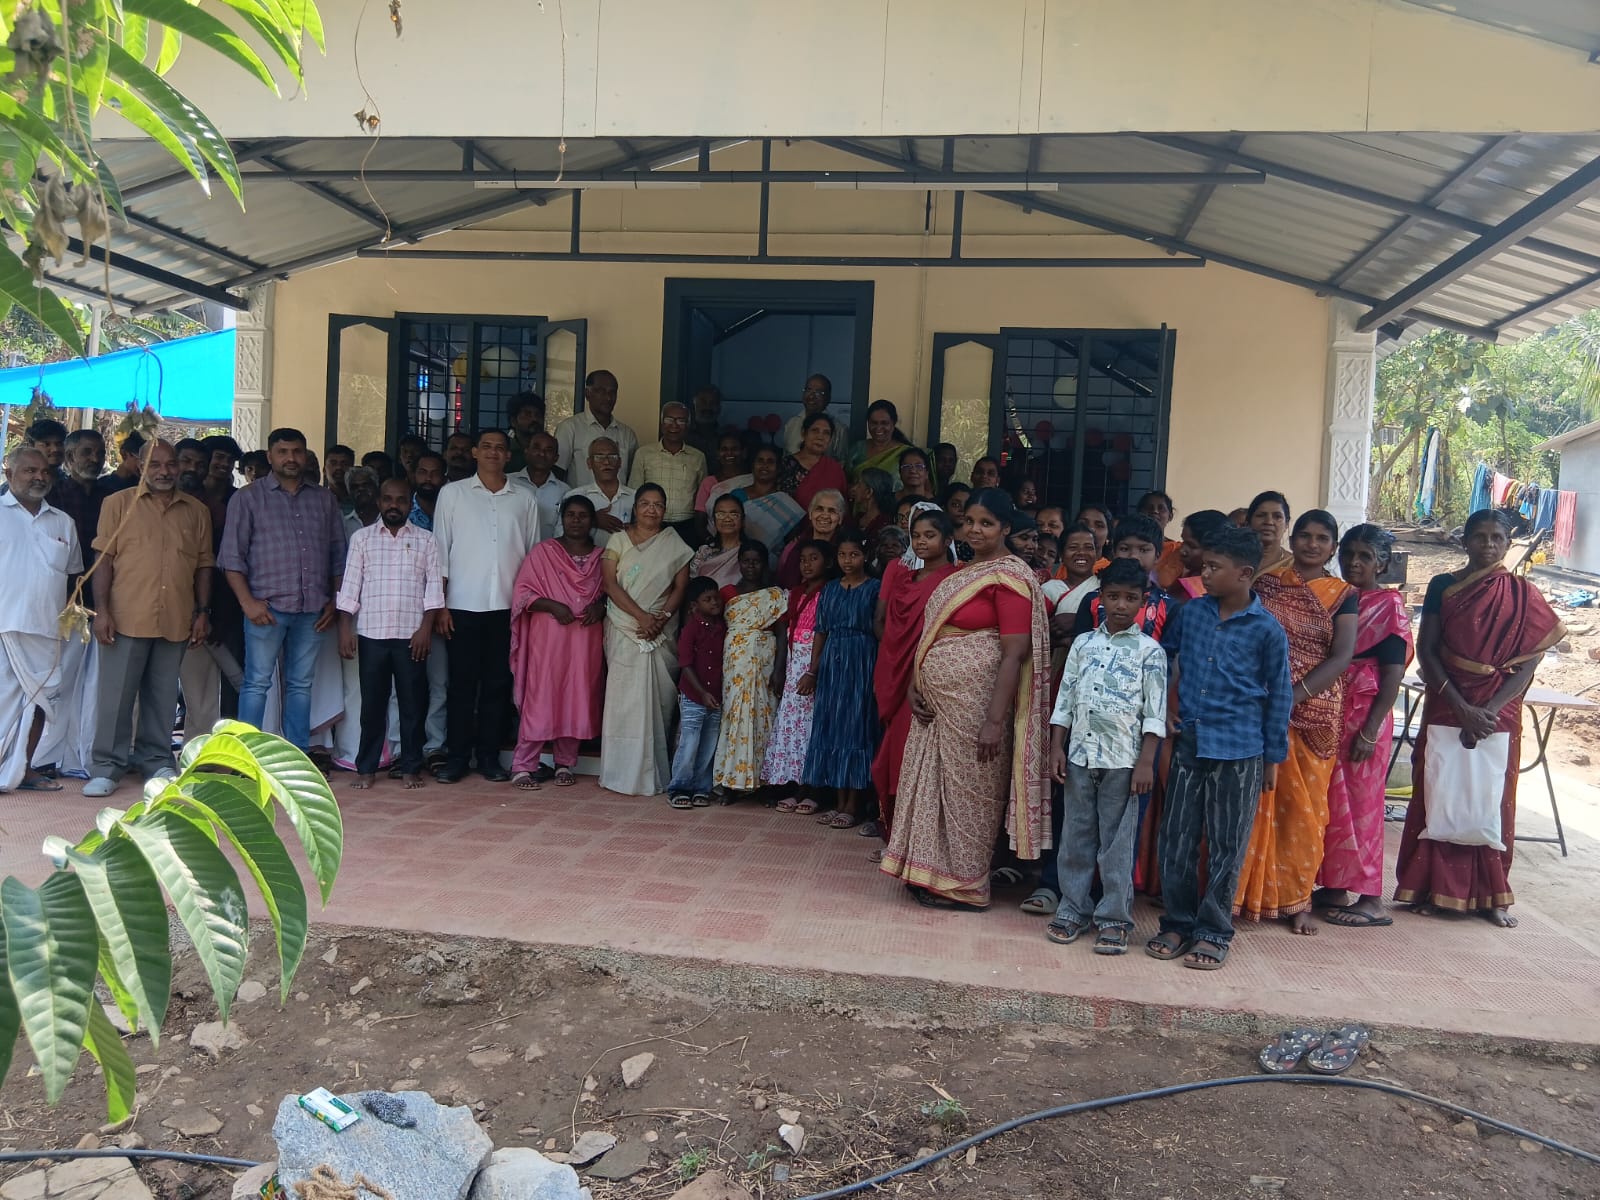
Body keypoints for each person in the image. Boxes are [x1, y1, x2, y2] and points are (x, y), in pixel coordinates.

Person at [881, 488, 1051, 909]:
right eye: (969, 522)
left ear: (1006, 528)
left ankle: (967, 886)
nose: (975, 529)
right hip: (935, 706)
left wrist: (994, 720)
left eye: (986, 523)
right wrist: (913, 684)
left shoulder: (1008, 577)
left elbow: (1014, 653)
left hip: (976, 707)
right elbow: (929, 639)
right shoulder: (961, 573)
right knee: (931, 787)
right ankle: (931, 872)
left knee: (969, 794)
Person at [1394, 509, 1564, 929]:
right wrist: (1461, 704)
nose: (1488, 545)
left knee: (1493, 798)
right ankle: (1429, 886)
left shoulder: (1523, 592)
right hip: (1449, 697)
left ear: (1508, 544)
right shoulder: (1442, 586)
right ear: (1463, 541)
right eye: (1479, 537)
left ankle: (1493, 894)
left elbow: (1529, 664)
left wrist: (1487, 710)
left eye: (1497, 538)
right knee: (1438, 788)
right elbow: (1428, 650)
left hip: (1499, 707)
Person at [1149, 522, 1292, 970]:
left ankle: (1213, 931)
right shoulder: (1190, 614)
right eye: (1204, 565)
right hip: (1190, 741)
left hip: (1241, 749)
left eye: (1215, 567)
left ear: (1245, 573)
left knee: (1228, 844)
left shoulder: (1268, 631)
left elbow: (1280, 694)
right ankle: (1177, 922)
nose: (1205, 574)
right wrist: (1166, 706)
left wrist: (1272, 757)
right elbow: (1165, 660)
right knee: (1176, 839)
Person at [1236, 508, 1357, 935]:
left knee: (1305, 810)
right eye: (1304, 535)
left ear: (1333, 547)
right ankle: (1243, 892)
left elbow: (1341, 656)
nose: (1310, 544)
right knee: (1253, 803)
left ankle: (1297, 899)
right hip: (1260, 702)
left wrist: (1295, 695)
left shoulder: (1343, 594)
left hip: (1312, 710)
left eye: (1321, 538)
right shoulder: (1266, 584)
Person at [1045, 557, 1168, 954]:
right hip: (1081, 756)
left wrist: (1146, 761)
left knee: (1116, 845)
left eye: (1130, 598)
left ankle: (1114, 919)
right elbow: (1065, 700)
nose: (1120, 605)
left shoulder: (1151, 652)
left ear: (1143, 602)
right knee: (1076, 836)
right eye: (1113, 596)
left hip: (1124, 762)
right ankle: (1072, 908)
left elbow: (1155, 712)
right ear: (1100, 598)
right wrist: (1056, 747)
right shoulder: (1083, 644)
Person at [83, 440, 213, 797]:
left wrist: (202, 612)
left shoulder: (196, 511)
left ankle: (156, 762)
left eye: (170, 464)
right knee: (116, 697)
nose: (164, 471)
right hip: (125, 616)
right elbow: (103, 561)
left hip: (176, 618)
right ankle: (107, 767)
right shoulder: (117, 504)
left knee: (162, 695)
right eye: (155, 464)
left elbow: (203, 565)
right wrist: (102, 612)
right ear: (139, 466)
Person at [220, 428, 346, 753]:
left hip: (313, 609)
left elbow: (337, 555)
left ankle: (296, 758)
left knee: (301, 685)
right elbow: (231, 557)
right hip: (266, 608)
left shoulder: (324, 499)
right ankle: (245, 759)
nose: (291, 458)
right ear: (270, 457)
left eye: (297, 451)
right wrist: (247, 603)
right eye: (283, 452)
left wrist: (335, 600)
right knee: (256, 683)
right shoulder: (247, 498)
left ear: (305, 455)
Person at [1318, 523, 1413, 927]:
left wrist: (1371, 730)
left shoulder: (1389, 606)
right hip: (1335, 707)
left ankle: (1371, 898)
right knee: (1335, 802)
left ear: (1382, 563)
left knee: (1364, 805)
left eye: (1365, 557)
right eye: (1349, 554)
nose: (1354, 563)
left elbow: (1393, 674)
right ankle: (1337, 885)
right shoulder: (1339, 599)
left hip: (1365, 712)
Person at [433, 429, 541, 784]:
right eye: (487, 447)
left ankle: (490, 757)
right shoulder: (453, 495)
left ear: (510, 456)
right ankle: (457, 757)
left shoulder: (524, 500)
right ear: (475, 452)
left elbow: (531, 559)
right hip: (462, 605)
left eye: (501, 448)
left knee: (498, 686)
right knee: (461, 686)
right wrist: (441, 606)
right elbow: (440, 555)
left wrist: (527, 608)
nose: (494, 453)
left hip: (508, 609)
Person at [335, 477, 444, 791]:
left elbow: (434, 589)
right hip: (372, 633)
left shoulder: (426, 540)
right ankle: (366, 768)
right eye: (387, 499)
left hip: (412, 636)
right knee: (372, 706)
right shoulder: (362, 539)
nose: (393, 505)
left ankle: (410, 766)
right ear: (380, 502)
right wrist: (345, 629)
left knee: (412, 705)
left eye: (400, 500)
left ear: (409, 503)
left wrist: (426, 629)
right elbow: (350, 586)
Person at [870, 507, 959, 853]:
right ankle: (897, 839)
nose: (921, 542)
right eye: (916, 536)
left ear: (948, 540)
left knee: (915, 761)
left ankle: (917, 844)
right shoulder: (905, 578)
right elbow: (890, 628)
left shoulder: (956, 579)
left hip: (930, 683)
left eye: (930, 536)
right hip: (896, 674)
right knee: (892, 758)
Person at [599, 483, 693, 795]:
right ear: (635, 507)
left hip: (661, 629)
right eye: (645, 503)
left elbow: (680, 587)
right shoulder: (618, 540)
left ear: (665, 510)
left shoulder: (674, 543)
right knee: (623, 700)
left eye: (657, 504)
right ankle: (619, 773)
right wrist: (641, 618)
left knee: (658, 702)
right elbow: (610, 585)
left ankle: (655, 774)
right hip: (626, 626)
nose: (651, 510)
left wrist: (661, 619)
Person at [509, 494, 606, 791]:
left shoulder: (604, 557)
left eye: (583, 515)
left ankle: (565, 763)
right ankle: (523, 766)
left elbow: (613, 591)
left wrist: (600, 606)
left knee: (577, 694)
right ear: (561, 518)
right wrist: (552, 606)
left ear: (592, 521)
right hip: (548, 637)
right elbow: (522, 593)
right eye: (571, 514)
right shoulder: (543, 553)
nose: (576, 520)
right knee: (542, 695)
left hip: (584, 637)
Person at [0, 447, 82, 793]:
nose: (39, 477)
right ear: (9, 474)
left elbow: (74, 577)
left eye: (45, 471)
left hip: (47, 631)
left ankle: (25, 769)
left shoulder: (63, 522)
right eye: (29, 470)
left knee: (40, 702)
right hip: (4, 627)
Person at [33, 428, 106, 778]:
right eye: (87, 453)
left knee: (85, 686)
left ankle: (74, 756)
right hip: (59, 607)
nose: (94, 459)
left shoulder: (109, 494)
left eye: (99, 452)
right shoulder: (55, 496)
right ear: (71, 458)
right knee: (54, 684)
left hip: (99, 604)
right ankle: (41, 757)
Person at [801, 531, 881, 828]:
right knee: (832, 727)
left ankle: (855, 804)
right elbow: (820, 631)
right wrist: (813, 669)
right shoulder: (831, 589)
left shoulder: (875, 588)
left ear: (865, 556)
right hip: (834, 661)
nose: (848, 561)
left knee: (856, 728)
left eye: (854, 555)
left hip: (862, 660)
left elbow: (879, 629)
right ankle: (837, 801)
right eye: (843, 555)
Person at [712, 540, 786, 801]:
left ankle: (764, 783)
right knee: (735, 717)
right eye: (746, 560)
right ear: (739, 562)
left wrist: (779, 670)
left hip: (764, 663)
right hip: (735, 663)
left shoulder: (775, 596)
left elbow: (782, 634)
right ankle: (731, 783)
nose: (751, 565)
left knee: (764, 717)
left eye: (756, 561)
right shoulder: (728, 593)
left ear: (764, 563)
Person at [765, 540, 832, 813]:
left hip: (814, 665)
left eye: (814, 558)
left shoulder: (829, 592)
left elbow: (824, 632)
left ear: (827, 563)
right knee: (793, 726)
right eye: (803, 559)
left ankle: (813, 788)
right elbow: (786, 631)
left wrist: (813, 670)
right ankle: (793, 784)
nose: (807, 563)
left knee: (812, 726)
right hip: (794, 663)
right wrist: (780, 669)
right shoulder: (795, 593)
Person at [1069, 515, 1174, 646]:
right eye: (1125, 549)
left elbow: (1168, 657)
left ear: (1157, 556)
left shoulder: (1168, 606)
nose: (1134, 556)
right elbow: (1080, 648)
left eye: (1143, 550)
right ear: (1113, 552)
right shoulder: (1092, 600)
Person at [668, 576, 727, 809]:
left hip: (716, 695)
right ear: (694, 605)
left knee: (709, 741)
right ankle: (679, 787)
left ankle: (701, 787)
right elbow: (685, 663)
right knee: (690, 741)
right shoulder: (690, 630)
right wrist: (701, 693)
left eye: (716, 598)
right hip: (694, 695)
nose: (715, 603)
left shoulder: (722, 626)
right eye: (707, 599)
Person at [410, 450, 450, 774]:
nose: (428, 479)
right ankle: (402, 749)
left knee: (440, 682)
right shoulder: (398, 511)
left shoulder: (452, 510)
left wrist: (440, 609)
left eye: (434, 473)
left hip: (440, 611)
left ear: (444, 478)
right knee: (404, 686)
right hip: (404, 613)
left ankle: (434, 745)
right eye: (422, 472)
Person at [629, 401, 707, 543]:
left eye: (681, 421)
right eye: (669, 419)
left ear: (688, 425)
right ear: (661, 423)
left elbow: (702, 498)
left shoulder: (698, 457)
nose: (674, 425)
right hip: (651, 523)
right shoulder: (644, 454)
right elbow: (634, 492)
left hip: (686, 527)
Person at [555, 369, 639, 487]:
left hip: (619, 503)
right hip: (581, 502)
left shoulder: (627, 434)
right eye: (601, 391)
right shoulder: (570, 428)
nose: (608, 398)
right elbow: (557, 472)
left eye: (612, 392)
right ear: (587, 394)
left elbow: (633, 476)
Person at [777, 413, 848, 533]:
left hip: (826, 535)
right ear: (804, 433)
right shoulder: (785, 465)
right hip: (788, 533)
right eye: (815, 430)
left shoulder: (834, 469)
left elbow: (842, 507)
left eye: (826, 433)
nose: (820, 437)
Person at [564, 437, 636, 549]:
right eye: (599, 457)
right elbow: (561, 539)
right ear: (589, 463)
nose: (606, 462)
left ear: (620, 462)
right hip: (586, 564)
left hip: (626, 563)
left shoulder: (636, 498)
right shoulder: (575, 497)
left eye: (612, 457)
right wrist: (591, 519)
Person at [730, 445, 803, 556]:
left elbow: (791, 541)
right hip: (736, 556)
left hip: (773, 563)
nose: (765, 465)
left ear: (778, 468)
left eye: (770, 462)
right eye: (760, 461)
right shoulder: (737, 496)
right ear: (752, 465)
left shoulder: (786, 502)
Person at [776, 489, 847, 588]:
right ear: (810, 514)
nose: (825, 515)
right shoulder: (794, 546)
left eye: (832, 511)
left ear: (840, 518)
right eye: (819, 509)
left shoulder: (844, 551)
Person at [510, 430, 567, 539]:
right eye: (536, 448)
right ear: (526, 451)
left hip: (548, 554)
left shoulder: (565, 492)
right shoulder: (508, 482)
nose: (542, 454)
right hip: (512, 552)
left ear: (556, 458)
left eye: (548, 450)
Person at [781, 374, 848, 460]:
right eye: (808, 390)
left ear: (828, 398)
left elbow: (841, 465)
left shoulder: (839, 429)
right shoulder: (792, 424)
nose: (812, 396)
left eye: (818, 392)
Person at [691, 494, 748, 588]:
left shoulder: (749, 552)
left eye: (734, 514)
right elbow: (694, 587)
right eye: (721, 514)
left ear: (743, 520)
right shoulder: (704, 552)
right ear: (714, 520)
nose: (727, 519)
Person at [847, 399, 909, 481]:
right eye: (874, 423)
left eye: (884, 423)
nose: (878, 428)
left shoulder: (906, 453)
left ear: (893, 423)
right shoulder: (857, 449)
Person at [695, 433, 750, 521]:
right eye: (724, 449)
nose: (729, 453)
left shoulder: (752, 481)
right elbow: (700, 519)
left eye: (734, 449)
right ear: (717, 454)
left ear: (744, 453)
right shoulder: (708, 483)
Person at [1247, 490, 1293, 575]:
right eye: (1261, 515)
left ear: (1286, 524)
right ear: (1249, 522)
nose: (1269, 522)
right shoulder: (1234, 560)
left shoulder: (1294, 565)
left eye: (1277, 516)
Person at [505, 391, 546, 475]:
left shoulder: (548, 451)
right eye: (527, 414)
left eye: (538, 415)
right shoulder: (504, 450)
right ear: (513, 421)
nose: (534, 419)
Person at [851, 467, 896, 536]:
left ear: (869, 492)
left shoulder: (885, 526)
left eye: (859, 485)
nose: (854, 489)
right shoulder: (856, 519)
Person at [686, 384, 724, 463]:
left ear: (719, 407)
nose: (708, 407)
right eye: (703, 402)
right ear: (694, 403)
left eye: (713, 402)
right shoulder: (682, 434)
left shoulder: (725, 436)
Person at [342, 466, 381, 534]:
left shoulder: (387, 519)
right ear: (349, 492)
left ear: (376, 488)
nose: (361, 489)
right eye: (355, 487)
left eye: (366, 485)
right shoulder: (345, 524)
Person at [325, 444, 355, 509]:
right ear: (324, 470)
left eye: (344, 464)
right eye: (333, 463)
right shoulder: (318, 500)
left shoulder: (360, 501)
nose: (339, 467)